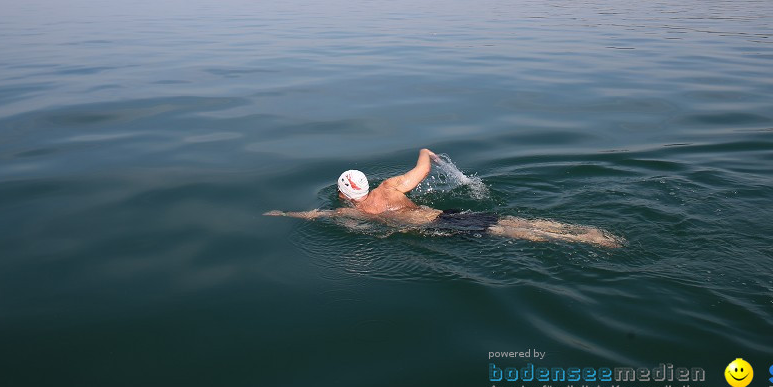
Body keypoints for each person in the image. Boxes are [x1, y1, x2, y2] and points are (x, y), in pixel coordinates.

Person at [265, 148, 623, 248]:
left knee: (506, 233)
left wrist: (282, 214)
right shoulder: (390, 186)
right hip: (444, 212)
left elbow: (316, 216)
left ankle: (589, 243)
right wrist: (426, 152)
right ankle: (586, 231)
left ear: (345, 193)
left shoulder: (359, 214)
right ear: (366, 182)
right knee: (507, 222)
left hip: (440, 228)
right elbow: (420, 169)